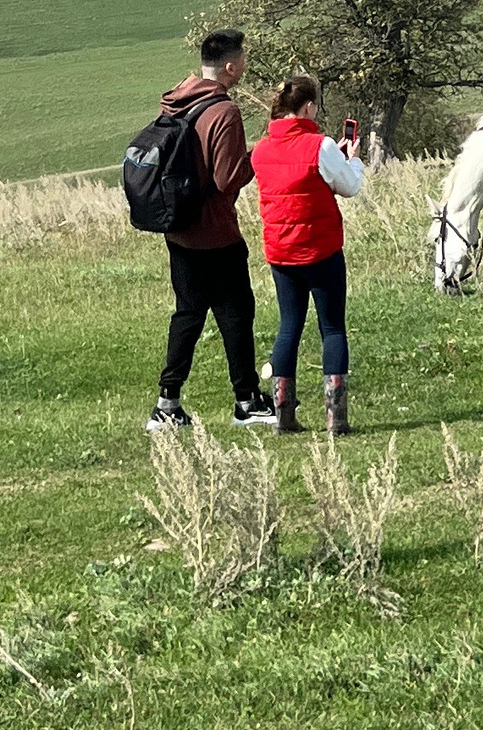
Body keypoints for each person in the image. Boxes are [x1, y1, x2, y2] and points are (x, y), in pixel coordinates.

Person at [148, 29, 276, 433]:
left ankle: (167, 403)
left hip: (179, 229)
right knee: (236, 314)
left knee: (187, 313)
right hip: (216, 232)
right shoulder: (224, 112)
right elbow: (228, 178)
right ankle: (247, 401)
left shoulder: (175, 101)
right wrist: (259, 155)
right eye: (243, 62)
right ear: (231, 66)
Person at [251, 72, 367, 436]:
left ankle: (283, 414)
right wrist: (355, 160)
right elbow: (349, 187)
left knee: (289, 326)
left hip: (280, 250)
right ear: (309, 106)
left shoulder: (261, 149)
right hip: (320, 248)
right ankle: (336, 418)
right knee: (332, 328)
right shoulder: (320, 145)